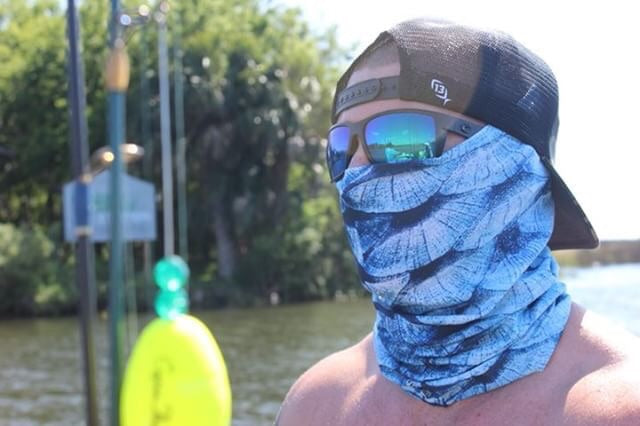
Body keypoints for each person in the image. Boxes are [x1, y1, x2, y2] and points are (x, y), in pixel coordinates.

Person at [277, 18, 640, 425]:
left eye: (403, 136)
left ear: (514, 168)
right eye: (342, 147)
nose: (357, 171)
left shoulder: (619, 407)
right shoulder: (317, 404)